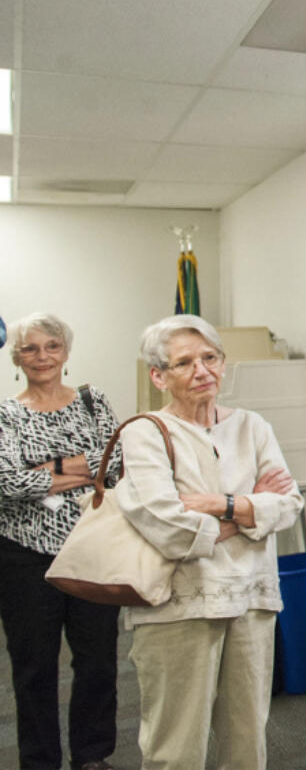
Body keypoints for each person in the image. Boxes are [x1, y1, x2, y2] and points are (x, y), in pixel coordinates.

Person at [120, 315, 303, 769]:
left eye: (210, 358)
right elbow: (163, 522)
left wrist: (215, 505)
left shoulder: (253, 426)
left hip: (252, 600)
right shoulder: (143, 432)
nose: (202, 370)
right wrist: (249, 508)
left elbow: (290, 504)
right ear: (158, 376)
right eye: (184, 363)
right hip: (178, 606)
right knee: (175, 745)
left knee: (247, 739)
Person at [0, 313, 120, 770]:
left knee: (97, 662)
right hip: (24, 555)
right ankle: (40, 761)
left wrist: (43, 472)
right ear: (16, 357)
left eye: (51, 346)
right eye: (30, 348)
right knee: (33, 667)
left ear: (66, 352)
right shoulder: (6, 414)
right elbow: (7, 482)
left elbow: (114, 461)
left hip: (92, 548)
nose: (42, 356)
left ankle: (92, 755)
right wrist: (81, 468)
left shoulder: (92, 401)